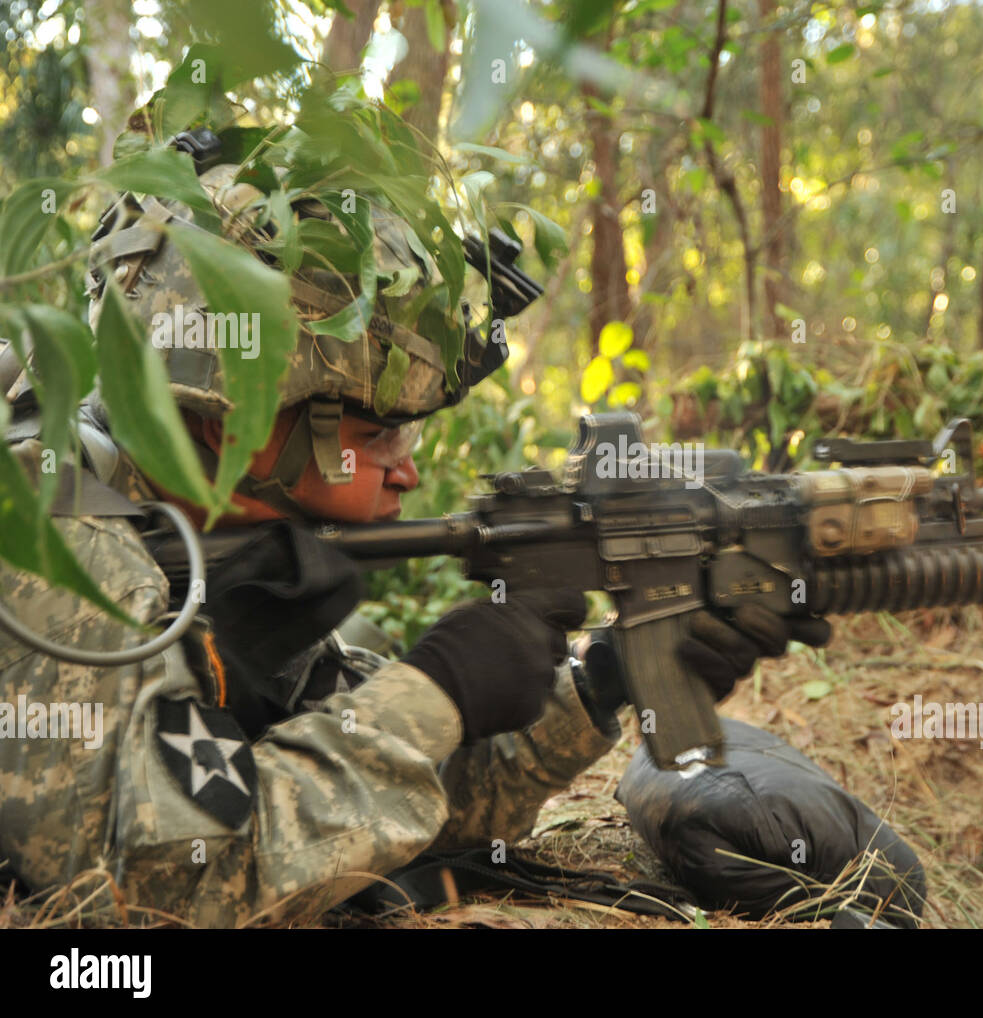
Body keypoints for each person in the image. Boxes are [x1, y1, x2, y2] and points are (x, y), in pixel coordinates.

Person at [0, 160, 831, 927]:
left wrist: (603, 679)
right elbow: (152, 895)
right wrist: (433, 692)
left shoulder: (215, 530)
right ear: (239, 417)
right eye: (380, 430)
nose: (407, 469)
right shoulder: (57, 538)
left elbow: (358, 803)